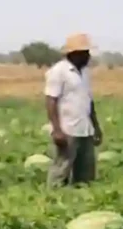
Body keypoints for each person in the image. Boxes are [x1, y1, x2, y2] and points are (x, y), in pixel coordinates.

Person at [44, 33, 103, 187]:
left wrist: (96, 127)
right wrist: (57, 130)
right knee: (61, 169)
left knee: (86, 173)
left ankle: (80, 197)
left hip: (85, 129)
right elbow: (51, 100)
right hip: (67, 129)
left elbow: (88, 100)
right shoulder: (58, 71)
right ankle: (53, 199)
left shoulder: (84, 73)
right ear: (75, 54)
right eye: (86, 53)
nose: (89, 56)